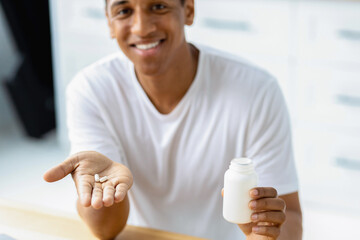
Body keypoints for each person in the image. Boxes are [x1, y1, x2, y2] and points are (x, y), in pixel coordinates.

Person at [43, 0, 303, 239]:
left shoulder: (256, 91)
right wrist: (98, 195)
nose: (142, 28)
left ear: (188, 9)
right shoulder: (91, 90)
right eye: (124, 11)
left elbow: (289, 215)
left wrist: (266, 233)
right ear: (110, 23)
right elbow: (106, 229)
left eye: (158, 6)